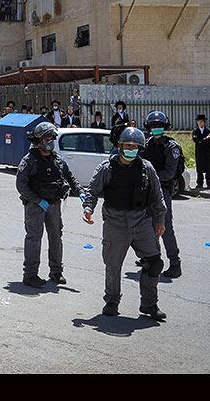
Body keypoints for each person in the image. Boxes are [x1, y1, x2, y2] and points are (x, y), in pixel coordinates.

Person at [82, 127, 167, 321]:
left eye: (135, 146)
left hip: (142, 222)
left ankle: (149, 304)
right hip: (115, 224)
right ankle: (112, 301)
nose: (131, 149)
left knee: (154, 263)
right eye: (128, 145)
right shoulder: (106, 167)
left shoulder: (146, 168)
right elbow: (92, 191)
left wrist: (160, 220)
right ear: (119, 146)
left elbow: (157, 196)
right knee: (113, 266)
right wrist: (88, 209)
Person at [16, 121, 86, 287]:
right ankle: (30, 274)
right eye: (47, 139)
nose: (50, 142)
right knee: (34, 238)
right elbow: (21, 185)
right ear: (39, 141)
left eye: (52, 138)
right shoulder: (29, 160)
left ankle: (56, 271)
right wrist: (38, 201)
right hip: (36, 206)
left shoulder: (58, 160)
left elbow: (71, 178)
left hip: (54, 205)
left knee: (56, 238)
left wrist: (81, 192)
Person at [141, 111, 182, 279]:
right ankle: (152, 258)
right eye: (153, 126)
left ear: (165, 127)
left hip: (162, 190)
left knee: (165, 227)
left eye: (159, 126)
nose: (156, 129)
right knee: (147, 226)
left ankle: (175, 263)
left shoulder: (171, 146)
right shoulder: (148, 144)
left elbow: (170, 172)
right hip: (147, 190)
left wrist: (151, 177)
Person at [192, 114, 210, 189]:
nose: (200, 123)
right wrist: (204, 139)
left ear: (204, 122)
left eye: (201, 121)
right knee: (199, 168)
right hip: (199, 152)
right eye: (198, 121)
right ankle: (200, 183)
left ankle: (209, 183)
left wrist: (201, 141)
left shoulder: (208, 130)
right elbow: (195, 140)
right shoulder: (195, 131)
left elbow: (209, 140)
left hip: (207, 152)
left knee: (209, 168)